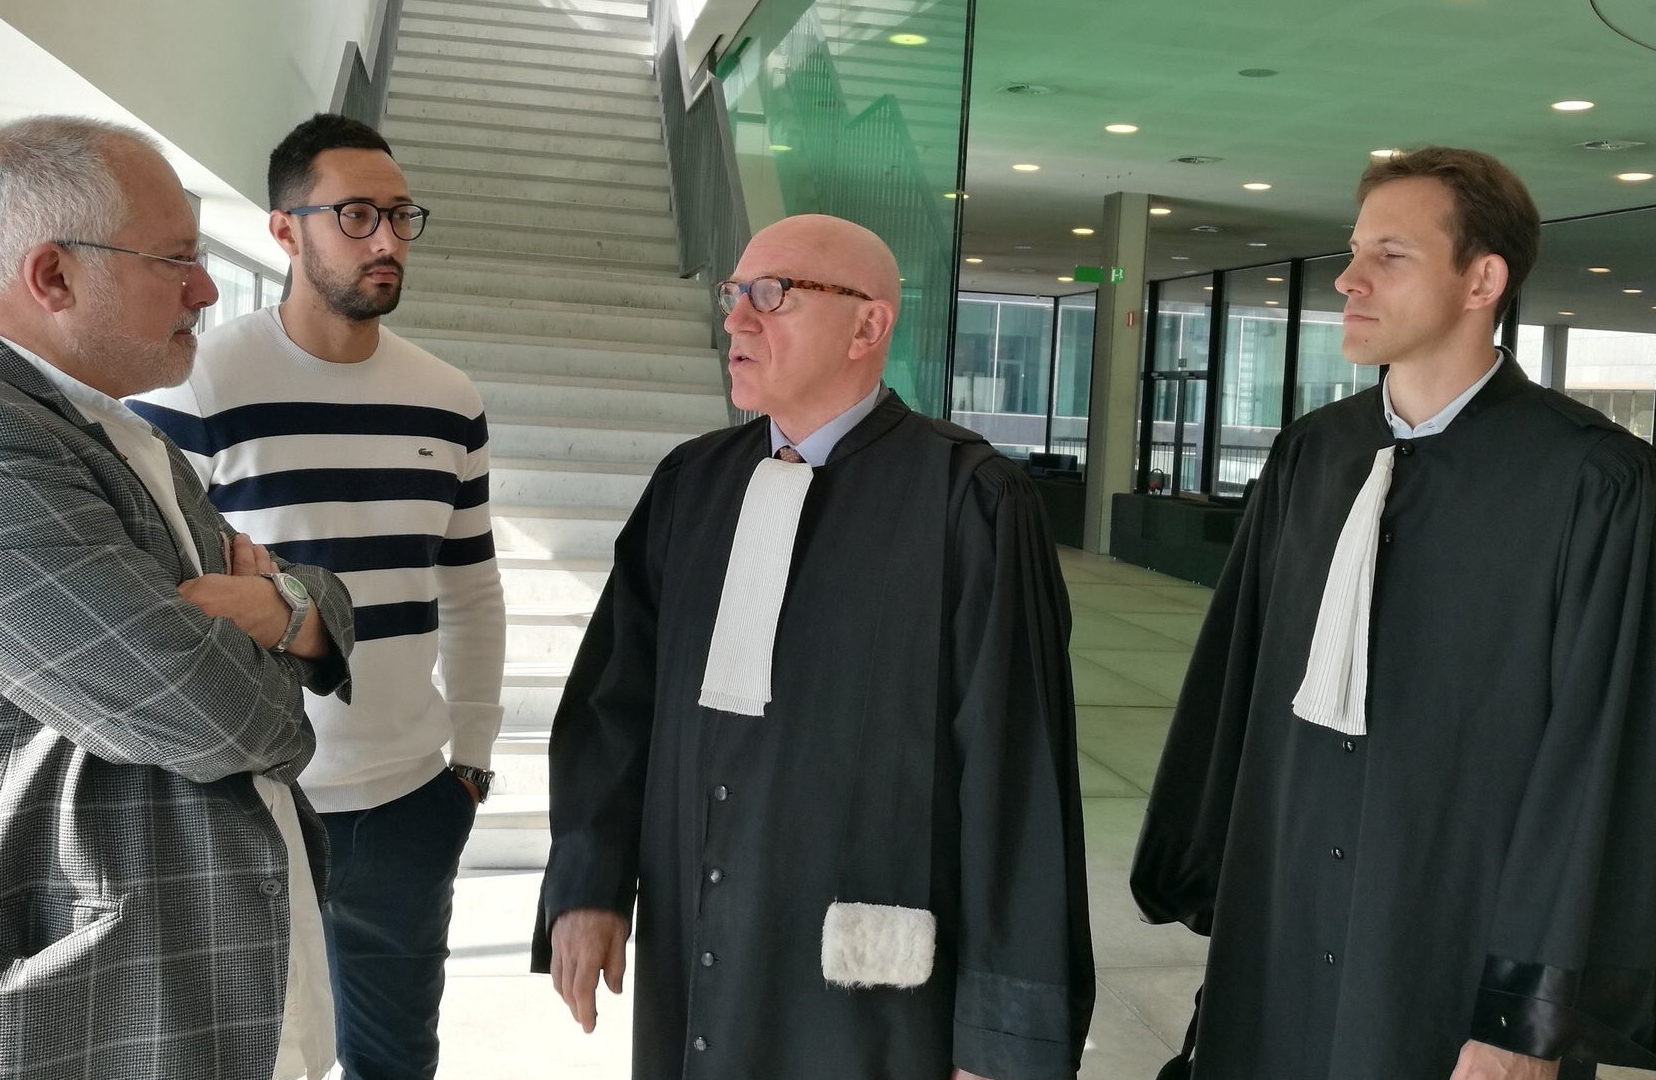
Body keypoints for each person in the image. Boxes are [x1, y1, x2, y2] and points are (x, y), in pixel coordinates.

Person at [1131, 146, 1656, 1079]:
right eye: (1352, 250)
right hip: (1281, 939)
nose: (1348, 279)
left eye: (1389, 255)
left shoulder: (1592, 482)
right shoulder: (1310, 458)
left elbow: (1601, 767)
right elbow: (1236, 692)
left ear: (1481, 281)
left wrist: (1522, 1018)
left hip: (1445, 958)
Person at [533, 213, 1094, 1079]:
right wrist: (589, 883)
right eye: (734, 294)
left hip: (870, 988)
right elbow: (615, 703)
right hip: (696, 939)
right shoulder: (691, 482)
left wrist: (1001, 1041)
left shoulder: (971, 501)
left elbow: (1018, 776)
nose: (736, 319)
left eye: (772, 295)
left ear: (867, 326)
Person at [0, 116, 354, 1079]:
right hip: (83, 1009)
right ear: (52, 275)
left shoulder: (102, 428)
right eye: (177, 259)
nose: (206, 289)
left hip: (207, 984)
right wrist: (281, 649)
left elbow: (299, 590)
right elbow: (207, 712)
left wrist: (287, 610)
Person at [132, 113, 506, 1080]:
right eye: (355, 215)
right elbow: (157, 601)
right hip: (247, 796)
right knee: (242, 1058)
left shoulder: (447, 398)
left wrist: (470, 761)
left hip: (409, 802)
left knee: (395, 1062)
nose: (386, 239)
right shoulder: (196, 387)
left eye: (400, 215)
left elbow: (470, 588)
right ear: (284, 231)